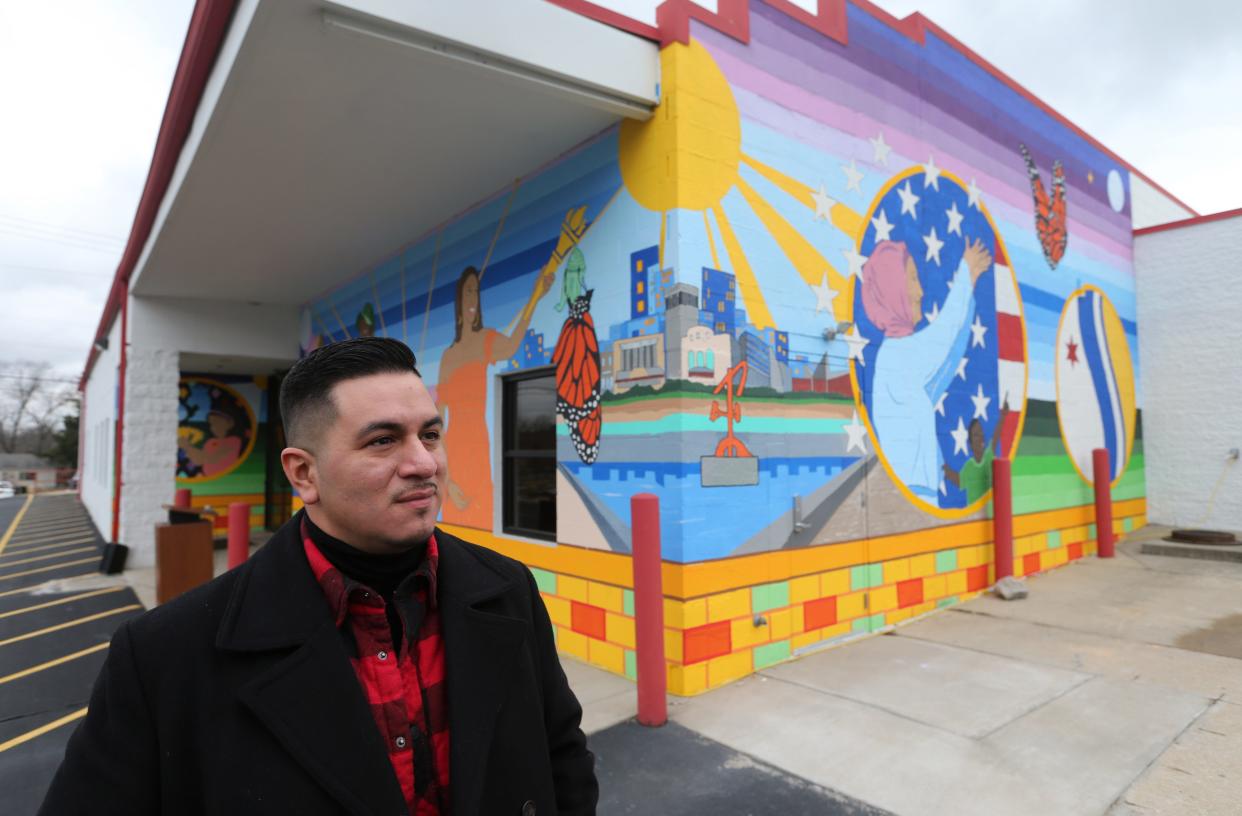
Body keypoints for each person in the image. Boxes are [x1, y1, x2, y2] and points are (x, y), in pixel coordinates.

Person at [40, 337, 598, 816]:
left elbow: (561, 756)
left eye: (429, 434)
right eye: (383, 440)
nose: (425, 463)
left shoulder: (507, 589)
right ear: (304, 473)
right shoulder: (164, 655)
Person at [862, 237, 992, 500]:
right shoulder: (898, 355)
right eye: (913, 280)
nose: (921, 291)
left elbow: (949, 361)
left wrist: (971, 287)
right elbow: (943, 337)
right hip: (913, 494)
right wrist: (965, 275)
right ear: (894, 289)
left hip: (916, 493)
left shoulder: (902, 362)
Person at [943, 399, 1010, 505]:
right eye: (976, 435)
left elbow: (996, 436)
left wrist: (1003, 416)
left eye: (981, 433)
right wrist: (948, 471)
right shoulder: (969, 466)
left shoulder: (989, 456)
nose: (980, 437)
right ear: (970, 442)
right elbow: (960, 481)